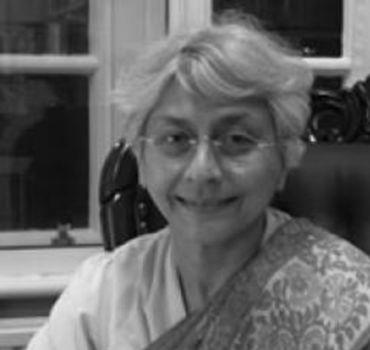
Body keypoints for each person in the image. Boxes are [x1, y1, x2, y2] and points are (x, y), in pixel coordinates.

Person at [27, 14, 370, 350]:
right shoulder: (104, 292)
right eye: (176, 139)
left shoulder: (349, 298)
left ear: (285, 159)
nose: (202, 171)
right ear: (142, 162)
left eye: (237, 140)